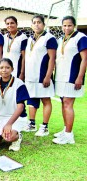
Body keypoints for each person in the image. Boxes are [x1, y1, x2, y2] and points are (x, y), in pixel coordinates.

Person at [53, 16, 87, 144]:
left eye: (69, 25)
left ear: (74, 26)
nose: (66, 28)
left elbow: (85, 59)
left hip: (72, 77)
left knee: (68, 103)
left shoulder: (81, 38)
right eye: (64, 25)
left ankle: (69, 135)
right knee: (63, 102)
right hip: (61, 76)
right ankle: (65, 129)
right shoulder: (61, 39)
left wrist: (79, 77)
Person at [0, 58, 30, 151]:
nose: (4, 70)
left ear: (12, 69)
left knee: (9, 137)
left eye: (7, 67)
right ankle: (2, 134)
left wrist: (9, 124)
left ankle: (17, 136)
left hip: (16, 118)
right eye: (1, 67)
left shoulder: (19, 84)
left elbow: (20, 108)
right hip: (0, 117)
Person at [24, 15, 57, 136]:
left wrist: (48, 76)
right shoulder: (30, 39)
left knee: (46, 100)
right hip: (30, 76)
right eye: (34, 22)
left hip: (42, 77)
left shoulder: (49, 38)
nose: (36, 24)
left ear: (43, 24)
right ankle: (32, 124)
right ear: (31, 25)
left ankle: (45, 126)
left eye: (39, 22)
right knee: (31, 100)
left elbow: (52, 58)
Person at [3, 16, 27, 81]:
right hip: (4, 70)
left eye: (12, 23)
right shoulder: (4, 37)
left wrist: (22, 73)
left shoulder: (22, 37)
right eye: (7, 24)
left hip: (16, 70)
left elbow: (24, 57)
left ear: (17, 24)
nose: (10, 25)